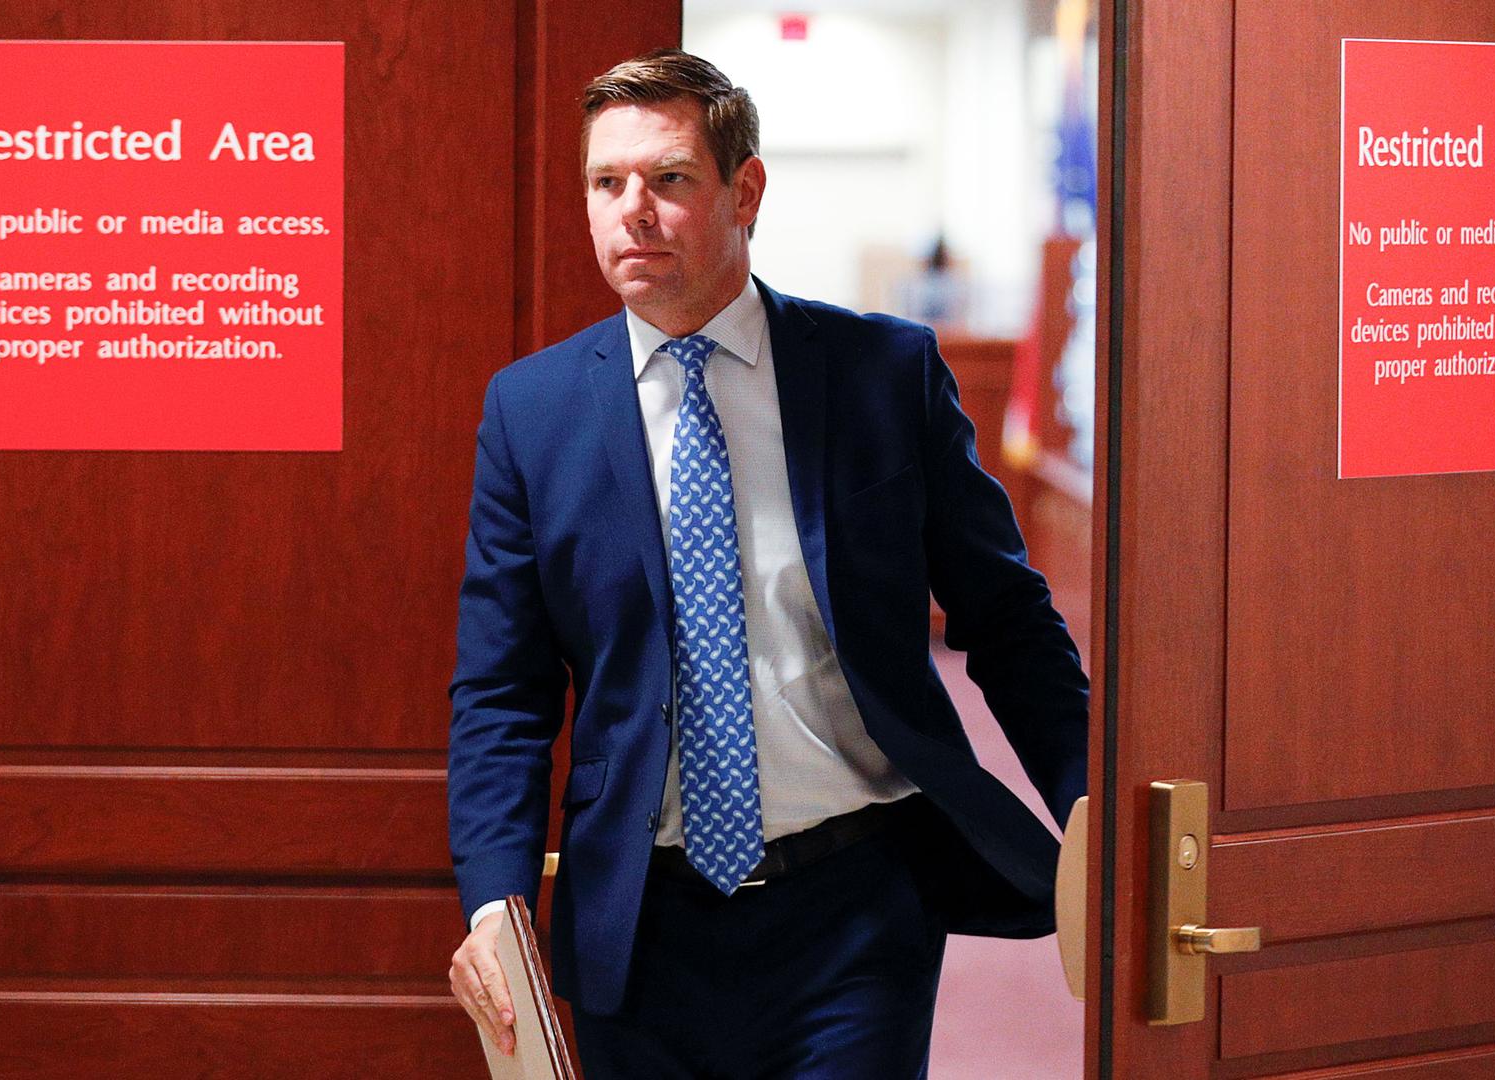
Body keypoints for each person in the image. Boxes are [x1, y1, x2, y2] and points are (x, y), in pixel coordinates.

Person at [447, 49, 1087, 1079]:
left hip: (855, 907)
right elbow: (502, 691)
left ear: (745, 190)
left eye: (668, 179)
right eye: (606, 184)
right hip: (639, 922)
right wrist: (495, 898)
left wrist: (1084, 794)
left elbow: (1006, 618)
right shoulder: (534, 413)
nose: (632, 212)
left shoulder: (883, 375)